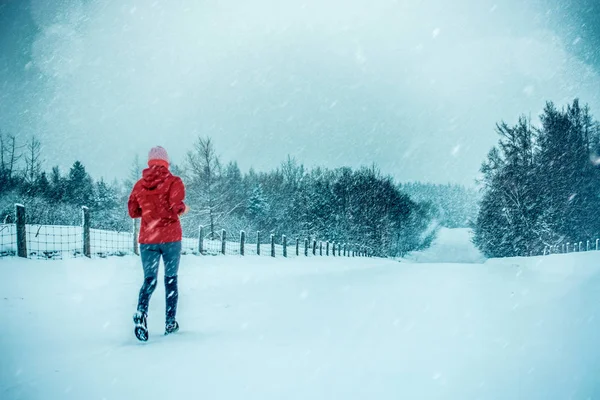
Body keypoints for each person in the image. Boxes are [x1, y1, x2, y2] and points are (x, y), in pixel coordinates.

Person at [128, 146, 189, 341]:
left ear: (149, 162)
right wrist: (184, 208)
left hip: (148, 240)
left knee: (149, 280)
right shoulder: (174, 182)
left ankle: (141, 313)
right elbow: (176, 206)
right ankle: (170, 323)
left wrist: (149, 212)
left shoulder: (139, 185)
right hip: (170, 238)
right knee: (170, 279)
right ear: (166, 162)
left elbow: (133, 211)